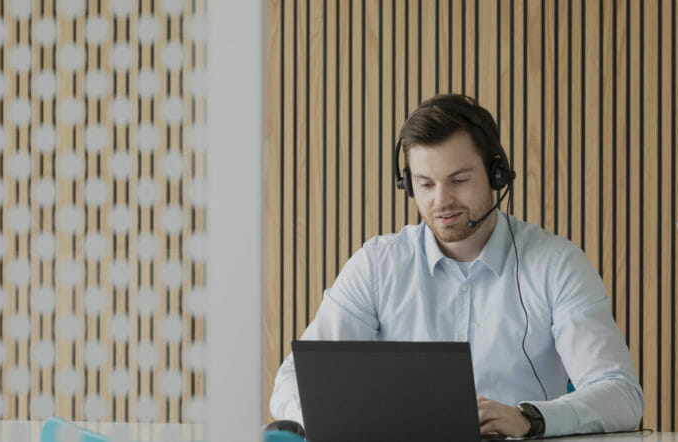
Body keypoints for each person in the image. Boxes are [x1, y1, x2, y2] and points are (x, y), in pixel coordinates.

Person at [269, 94, 644, 438]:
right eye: (425, 184)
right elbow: (293, 380)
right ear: (408, 184)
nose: (441, 201)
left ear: (497, 174)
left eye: (459, 180)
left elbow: (622, 394)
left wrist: (530, 418)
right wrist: (321, 419)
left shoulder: (556, 264)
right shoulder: (377, 265)